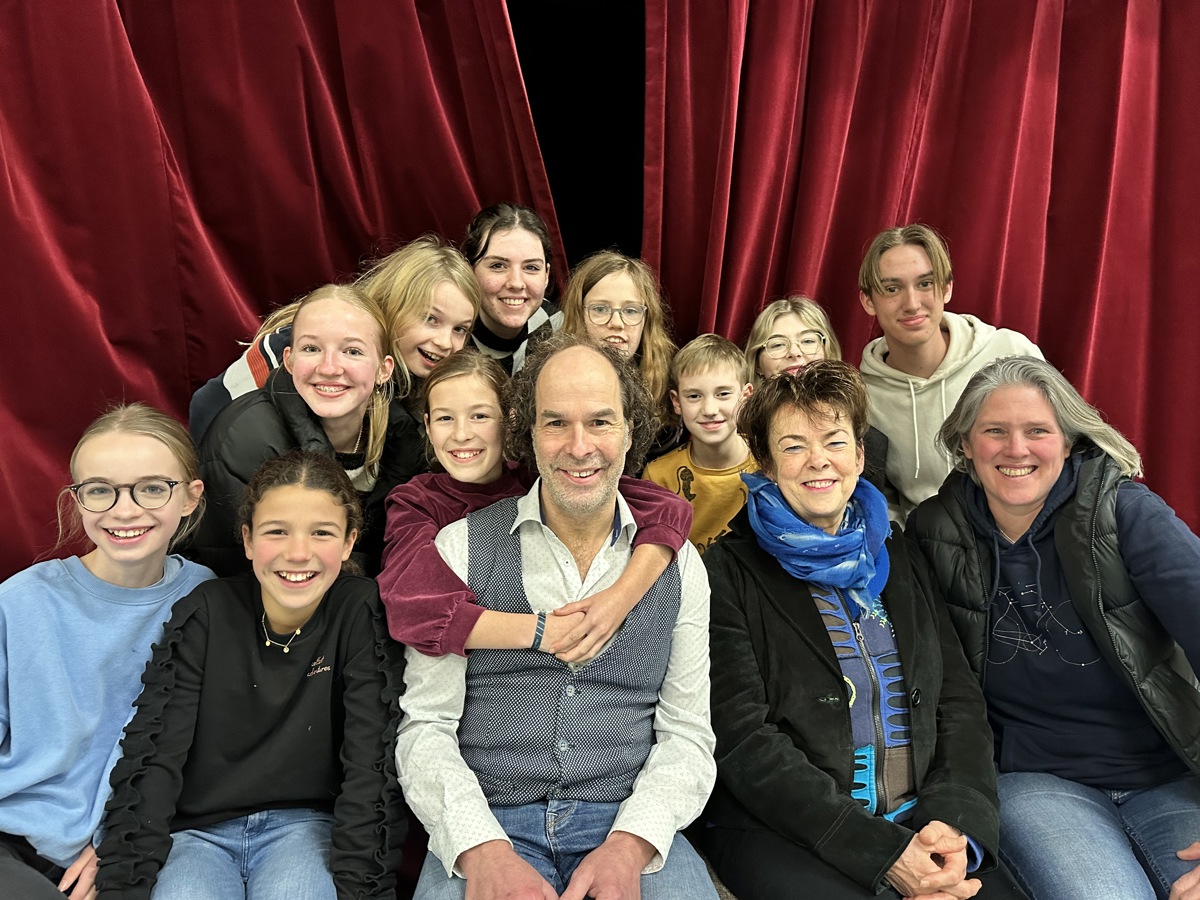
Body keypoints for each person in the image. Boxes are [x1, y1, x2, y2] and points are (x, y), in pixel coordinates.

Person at [396, 334, 718, 900]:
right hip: (490, 818)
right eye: (555, 423)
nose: (579, 446)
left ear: (629, 431)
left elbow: (687, 733)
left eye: (600, 422)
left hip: (625, 816)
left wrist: (631, 845)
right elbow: (426, 727)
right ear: (528, 433)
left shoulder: (679, 562)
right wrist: (482, 849)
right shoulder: (457, 547)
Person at [700, 361, 1026, 900]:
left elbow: (957, 699)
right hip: (792, 834)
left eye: (834, 441)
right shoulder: (726, 571)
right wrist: (882, 852)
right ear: (767, 463)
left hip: (924, 820)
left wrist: (953, 826)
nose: (818, 460)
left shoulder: (901, 551)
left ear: (858, 455)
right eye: (793, 446)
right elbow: (741, 739)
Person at [906, 355, 1200, 900]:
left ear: (1068, 441)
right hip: (1038, 780)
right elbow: (935, 689)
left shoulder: (1126, 515)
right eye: (995, 431)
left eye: (1037, 431)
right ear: (966, 444)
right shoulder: (932, 530)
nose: (1016, 449)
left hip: (1168, 771)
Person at [96, 451, 405, 900]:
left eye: (321, 533)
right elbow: (155, 754)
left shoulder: (358, 609)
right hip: (197, 834)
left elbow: (371, 763)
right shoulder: (207, 609)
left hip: (305, 829)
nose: (297, 553)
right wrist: (123, 885)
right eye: (276, 531)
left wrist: (360, 890)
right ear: (247, 539)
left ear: (348, 542)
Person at [0, 404, 211, 900]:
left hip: (137, 841)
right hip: (14, 838)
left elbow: (206, 751)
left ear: (190, 497)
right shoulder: (21, 602)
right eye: (100, 490)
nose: (124, 510)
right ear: (77, 499)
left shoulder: (208, 599)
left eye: (152, 488)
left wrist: (126, 836)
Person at [377, 349, 693, 663]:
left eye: (480, 416)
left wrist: (620, 598)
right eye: (445, 418)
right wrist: (543, 631)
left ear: (511, 421)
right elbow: (412, 607)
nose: (462, 434)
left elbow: (669, 509)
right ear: (428, 425)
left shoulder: (540, 477)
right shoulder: (416, 503)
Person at [194, 283, 425, 576]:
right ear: (289, 360)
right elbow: (243, 568)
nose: (329, 368)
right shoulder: (245, 439)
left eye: (352, 351)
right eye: (311, 348)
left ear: (384, 369)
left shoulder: (405, 441)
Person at [189, 234, 479, 439]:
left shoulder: (418, 378)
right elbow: (208, 405)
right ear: (396, 304)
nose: (445, 342)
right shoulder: (301, 342)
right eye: (431, 319)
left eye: (459, 329)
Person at [857, 223, 1043, 520]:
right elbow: (882, 501)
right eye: (892, 289)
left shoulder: (1010, 350)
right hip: (930, 543)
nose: (912, 304)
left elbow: (1068, 444)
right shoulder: (863, 396)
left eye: (925, 284)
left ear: (947, 288)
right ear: (868, 301)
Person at [744, 296, 890, 497]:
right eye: (777, 344)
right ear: (757, 364)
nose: (794, 352)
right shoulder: (737, 440)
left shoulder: (871, 442)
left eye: (808, 341)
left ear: (828, 352)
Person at [642, 334, 756, 554]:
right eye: (694, 396)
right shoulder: (658, 476)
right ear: (677, 402)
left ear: (745, 396)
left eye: (723, 394)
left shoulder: (770, 464)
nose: (710, 410)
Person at [560, 249, 678, 432]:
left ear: (646, 321)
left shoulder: (669, 389)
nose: (616, 323)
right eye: (600, 309)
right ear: (579, 315)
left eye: (630, 311)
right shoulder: (550, 381)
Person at [461, 203, 561, 374]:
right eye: (498, 265)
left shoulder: (557, 327)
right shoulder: (450, 334)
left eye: (531, 267)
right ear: (470, 272)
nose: (516, 283)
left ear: (546, 275)